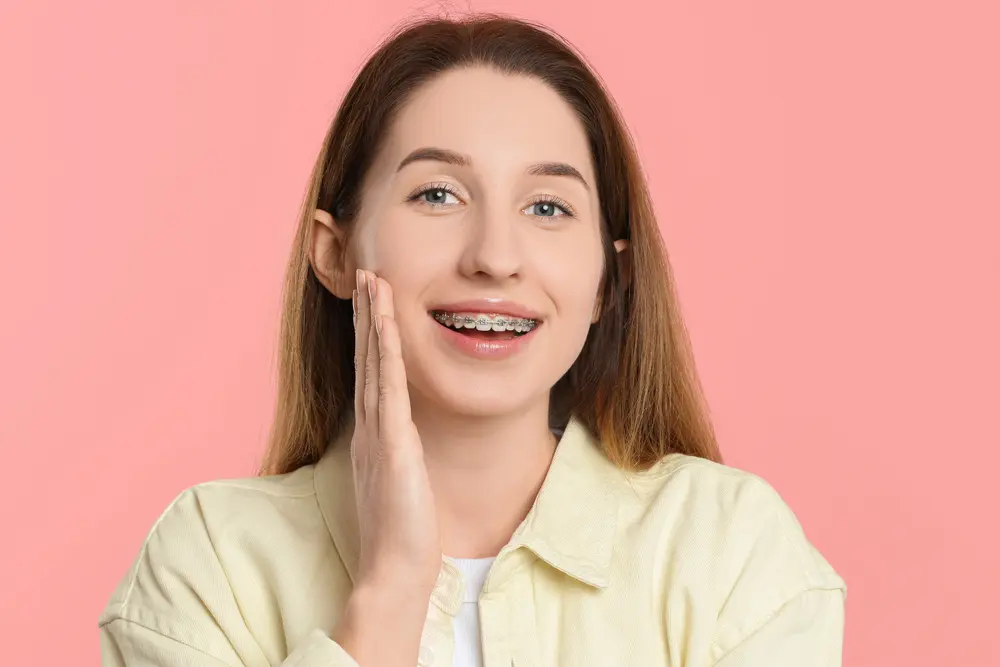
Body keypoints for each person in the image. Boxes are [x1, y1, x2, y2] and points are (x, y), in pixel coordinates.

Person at [99, 13, 846, 667]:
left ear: (606, 281)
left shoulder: (730, 551)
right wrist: (391, 587)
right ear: (334, 251)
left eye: (548, 206)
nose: (494, 254)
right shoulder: (209, 562)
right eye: (437, 194)